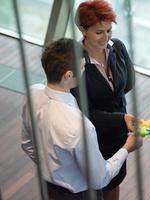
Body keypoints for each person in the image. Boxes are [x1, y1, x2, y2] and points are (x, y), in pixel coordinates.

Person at [21, 38, 142, 200]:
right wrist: (127, 148)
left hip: (49, 188)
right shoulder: (80, 127)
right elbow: (100, 179)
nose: (85, 69)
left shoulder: (32, 93)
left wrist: (51, 168)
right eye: (83, 66)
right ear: (69, 75)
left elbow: (27, 144)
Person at [72, 1, 135, 199]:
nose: (106, 37)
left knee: (114, 180)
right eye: (99, 32)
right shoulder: (74, 63)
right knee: (93, 185)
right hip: (94, 137)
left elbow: (128, 83)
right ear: (83, 29)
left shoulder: (117, 48)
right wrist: (121, 118)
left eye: (109, 30)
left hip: (119, 133)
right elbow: (84, 112)